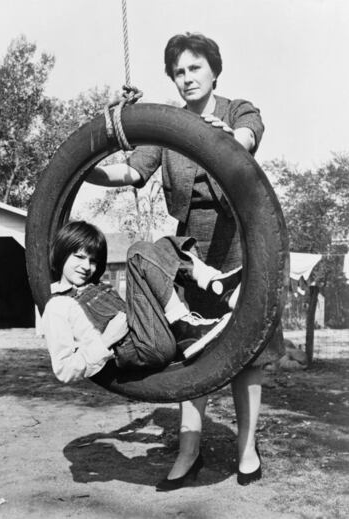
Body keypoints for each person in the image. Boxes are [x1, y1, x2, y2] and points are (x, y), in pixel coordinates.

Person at [86, 32, 284, 489]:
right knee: (194, 353)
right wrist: (86, 165)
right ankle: (189, 450)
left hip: (243, 244)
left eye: (195, 68)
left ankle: (246, 447)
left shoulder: (237, 111)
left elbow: (247, 139)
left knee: (246, 353)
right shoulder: (166, 127)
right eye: (178, 71)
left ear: (214, 70)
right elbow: (132, 171)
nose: (186, 78)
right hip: (191, 252)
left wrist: (229, 138)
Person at [43, 220, 239, 383]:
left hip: (150, 332)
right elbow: (64, 369)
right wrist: (106, 341)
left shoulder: (94, 286)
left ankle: (217, 284)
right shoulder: (58, 306)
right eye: (79, 257)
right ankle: (184, 325)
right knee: (138, 253)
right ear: (61, 254)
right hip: (140, 348)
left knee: (163, 246)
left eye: (93, 261)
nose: (86, 266)